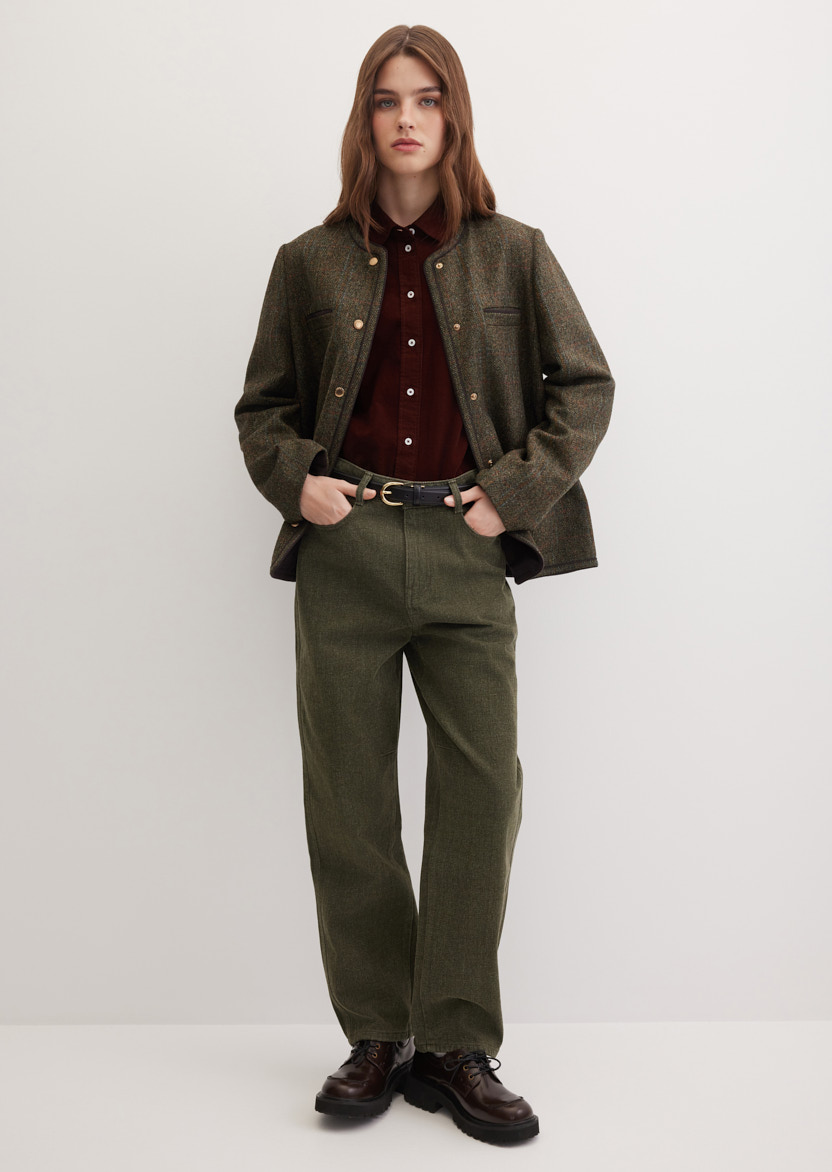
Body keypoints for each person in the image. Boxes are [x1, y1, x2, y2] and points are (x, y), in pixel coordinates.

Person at [235, 24, 614, 1147]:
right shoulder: (308, 260)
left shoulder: (514, 252)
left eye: (428, 98)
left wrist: (513, 493)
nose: (407, 118)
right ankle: (376, 1033)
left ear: (454, 117)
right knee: (348, 797)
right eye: (387, 99)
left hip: (465, 544)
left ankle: (453, 1043)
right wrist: (298, 481)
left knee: (481, 791)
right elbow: (263, 410)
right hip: (346, 548)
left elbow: (584, 387)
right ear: (364, 119)